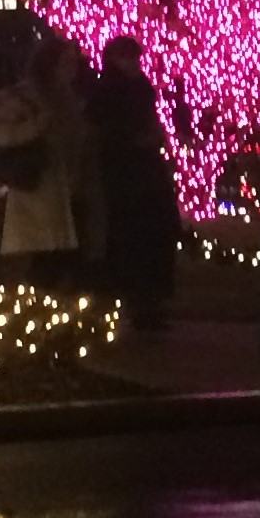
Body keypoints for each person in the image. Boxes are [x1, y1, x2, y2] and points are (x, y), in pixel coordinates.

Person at [89, 36, 181, 331]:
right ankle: (135, 303)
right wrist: (133, 140)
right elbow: (103, 131)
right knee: (132, 238)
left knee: (154, 236)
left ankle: (150, 305)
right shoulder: (106, 90)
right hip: (124, 172)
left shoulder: (140, 86)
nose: (132, 63)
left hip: (145, 168)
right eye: (125, 57)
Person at [0, 36, 87, 278]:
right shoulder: (27, 97)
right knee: (41, 263)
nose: (72, 68)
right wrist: (36, 125)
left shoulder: (69, 97)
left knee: (60, 262)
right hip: (37, 190)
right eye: (67, 62)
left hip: (66, 190)